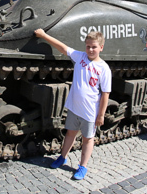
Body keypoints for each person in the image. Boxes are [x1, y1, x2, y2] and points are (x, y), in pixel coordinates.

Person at [35, 28, 111, 181]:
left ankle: (82, 166)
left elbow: (105, 93)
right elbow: (63, 48)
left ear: (101, 47)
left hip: (90, 111)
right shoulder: (80, 57)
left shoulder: (104, 68)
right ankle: (62, 157)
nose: (90, 49)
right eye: (88, 46)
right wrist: (44, 36)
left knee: (87, 138)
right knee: (70, 133)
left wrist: (101, 114)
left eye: (94, 47)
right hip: (75, 107)